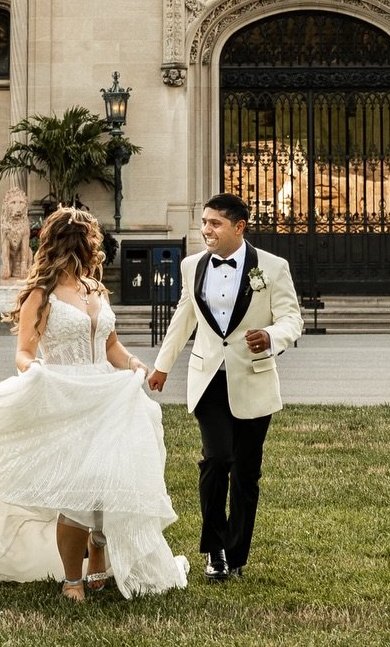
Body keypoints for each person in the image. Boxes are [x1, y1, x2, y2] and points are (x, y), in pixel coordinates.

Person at [0, 205, 188, 602]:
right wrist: (34, 371)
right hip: (65, 397)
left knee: (111, 485)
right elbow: (24, 352)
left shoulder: (95, 289)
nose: (93, 248)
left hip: (109, 398)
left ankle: (98, 555)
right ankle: (72, 580)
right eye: (89, 241)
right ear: (73, 244)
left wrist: (133, 363)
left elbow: (110, 345)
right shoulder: (42, 295)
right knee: (76, 494)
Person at [148, 192, 303, 582]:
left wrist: (270, 336)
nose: (206, 230)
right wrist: (162, 366)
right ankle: (214, 549)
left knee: (247, 473)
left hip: (253, 378)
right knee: (217, 459)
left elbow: (291, 319)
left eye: (215, 223)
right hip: (208, 378)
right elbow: (184, 317)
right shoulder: (191, 266)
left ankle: (236, 555)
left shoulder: (273, 267)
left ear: (239, 227)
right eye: (204, 222)